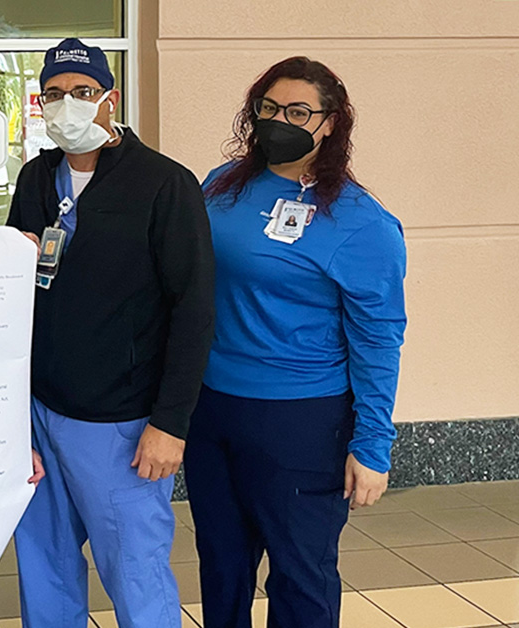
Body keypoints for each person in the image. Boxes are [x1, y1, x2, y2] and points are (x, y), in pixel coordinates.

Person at [186, 57, 406, 628]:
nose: (279, 120)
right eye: (268, 108)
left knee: (300, 573)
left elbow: (379, 341)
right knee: (223, 566)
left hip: (301, 423)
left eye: (298, 111)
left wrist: (373, 445)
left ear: (331, 123)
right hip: (213, 411)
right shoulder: (221, 185)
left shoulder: (361, 223)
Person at [5, 38, 215, 628]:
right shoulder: (37, 179)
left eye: (82, 93)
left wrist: (170, 423)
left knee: (135, 570)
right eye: (53, 94)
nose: (67, 105)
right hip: (41, 411)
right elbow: (18, 288)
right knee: (43, 565)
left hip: (121, 425)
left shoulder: (163, 183)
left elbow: (194, 309)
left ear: (110, 100)